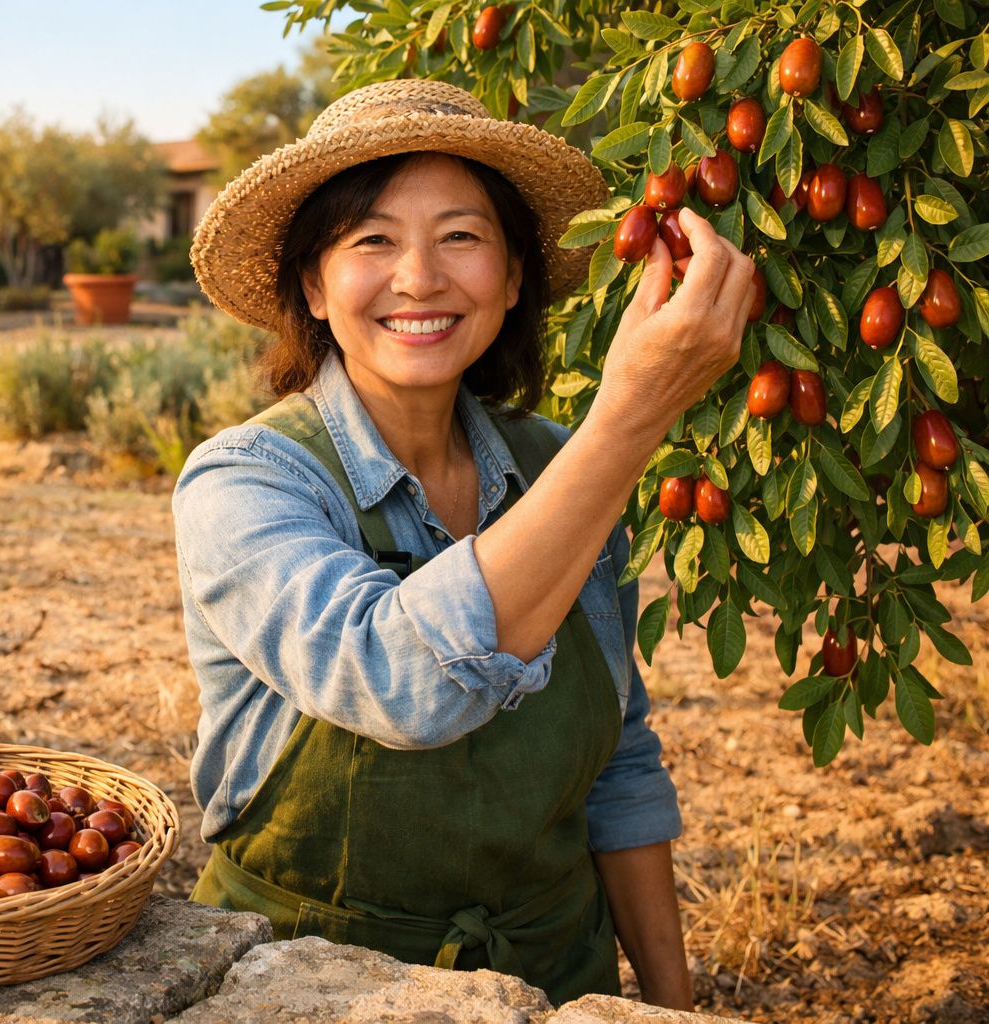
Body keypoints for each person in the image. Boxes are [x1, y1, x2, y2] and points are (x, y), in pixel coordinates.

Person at [171, 79, 755, 1009]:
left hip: (556, 978)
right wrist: (633, 417)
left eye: (461, 236)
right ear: (315, 287)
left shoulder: (554, 462)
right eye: (371, 241)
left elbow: (618, 768)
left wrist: (667, 1007)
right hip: (308, 986)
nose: (419, 277)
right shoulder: (245, 483)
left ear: (514, 275)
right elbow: (400, 681)